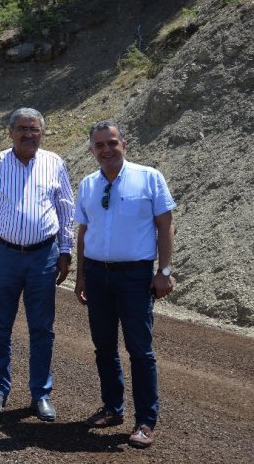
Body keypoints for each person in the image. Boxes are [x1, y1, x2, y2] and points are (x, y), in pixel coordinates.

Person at [74, 120, 176, 449]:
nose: (106, 150)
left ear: (124, 144)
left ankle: (145, 421)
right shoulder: (88, 184)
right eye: (99, 145)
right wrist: (81, 275)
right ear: (91, 150)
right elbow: (83, 232)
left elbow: (165, 224)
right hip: (98, 275)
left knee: (140, 351)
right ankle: (112, 408)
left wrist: (165, 271)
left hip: (135, 276)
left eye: (112, 143)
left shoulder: (149, 178)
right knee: (104, 348)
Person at [0, 107, 74, 421]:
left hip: (44, 255)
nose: (28, 134)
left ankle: (40, 394)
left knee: (42, 328)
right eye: (22, 129)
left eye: (34, 129)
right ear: (11, 132)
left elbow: (67, 210)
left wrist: (66, 251)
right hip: (3, 254)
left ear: (42, 132)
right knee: (0, 326)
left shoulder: (54, 163)